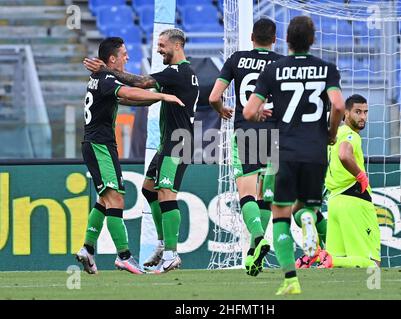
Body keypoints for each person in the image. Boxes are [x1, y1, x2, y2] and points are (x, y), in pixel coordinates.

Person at [243, 16, 345, 295]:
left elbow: (249, 112)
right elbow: (338, 105)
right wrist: (331, 132)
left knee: (280, 214)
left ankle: (290, 279)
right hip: (315, 149)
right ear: (312, 40)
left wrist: (262, 113)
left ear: (286, 41)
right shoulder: (327, 69)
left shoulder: (274, 70)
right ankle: (309, 218)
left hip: (284, 150)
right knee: (306, 207)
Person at [84, 29, 200, 273]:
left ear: (177, 46)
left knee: (166, 193)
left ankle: (170, 253)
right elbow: (137, 95)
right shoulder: (175, 74)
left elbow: (141, 83)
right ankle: (162, 244)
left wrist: (105, 70)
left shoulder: (177, 72)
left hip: (179, 142)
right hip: (167, 142)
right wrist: (161, 96)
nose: (158, 49)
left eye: (162, 45)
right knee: (149, 190)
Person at [208, 18, 283, 277]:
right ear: (275, 39)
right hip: (275, 134)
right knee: (265, 196)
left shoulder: (236, 59)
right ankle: (254, 255)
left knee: (247, 195)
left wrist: (222, 110)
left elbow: (214, 97)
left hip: (245, 130)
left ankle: (259, 239)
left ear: (251, 36)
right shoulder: (281, 62)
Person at [319, 94, 381, 268]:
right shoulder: (351, 135)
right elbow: (344, 154)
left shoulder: (334, 135)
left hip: (335, 202)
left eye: (365, 112)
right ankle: (373, 292)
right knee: (372, 263)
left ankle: (325, 259)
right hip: (355, 200)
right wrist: (361, 175)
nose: (362, 117)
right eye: (357, 112)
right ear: (346, 113)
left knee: (337, 267)